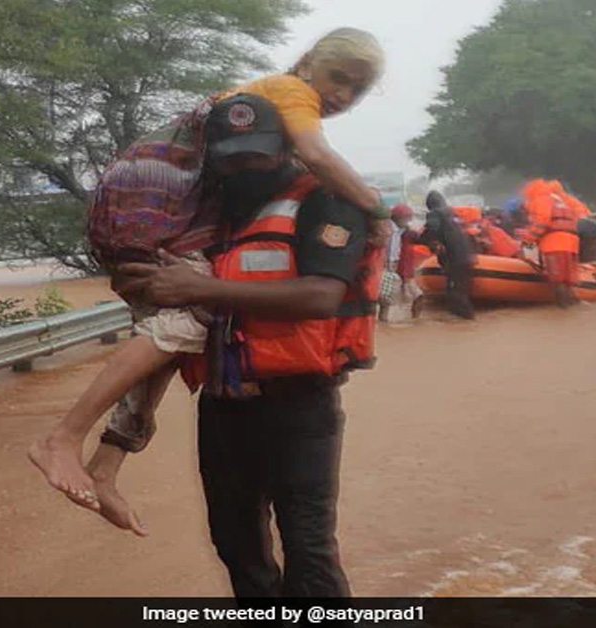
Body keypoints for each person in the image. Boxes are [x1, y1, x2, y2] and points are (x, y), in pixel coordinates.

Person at [28, 28, 392, 521]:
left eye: (357, 89)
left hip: (141, 202)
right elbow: (318, 154)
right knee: (192, 315)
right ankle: (64, 437)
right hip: (149, 206)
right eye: (338, 78)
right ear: (308, 62)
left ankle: (107, 465)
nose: (343, 95)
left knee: (168, 337)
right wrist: (376, 208)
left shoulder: (270, 102)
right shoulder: (292, 93)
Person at [99, 93, 381, 598]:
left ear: (284, 151)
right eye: (232, 159)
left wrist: (200, 288)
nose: (245, 168)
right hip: (223, 407)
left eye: (257, 156)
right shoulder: (204, 214)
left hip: (300, 406)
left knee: (309, 551)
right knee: (235, 544)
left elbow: (322, 296)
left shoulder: (326, 200)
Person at [521, 179, 584, 308]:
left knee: (557, 279)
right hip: (571, 242)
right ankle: (574, 305)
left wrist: (528, 239)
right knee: (568, 278)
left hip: (554, 244)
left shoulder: (541, 200)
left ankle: (563, 309)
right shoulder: (561, 200)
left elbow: (542, 221)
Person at [419, 191, 476, 319]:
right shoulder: (452, 214)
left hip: (455, 258)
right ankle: (463, 321)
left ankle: (465, 320)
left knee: (455, 293)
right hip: (466, 255)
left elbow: (432, 230)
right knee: (460, 290)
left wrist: (422, 239)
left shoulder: (435, 214)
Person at [380, 204, 423, 322]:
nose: (408, 221)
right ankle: (413, 321)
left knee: (386, 296)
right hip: (387, 265)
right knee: (384, 296)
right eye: (407, 218)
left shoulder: (402, 231)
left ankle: (384, 320)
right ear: (398, 217)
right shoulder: (389, 230)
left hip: (396, 266)